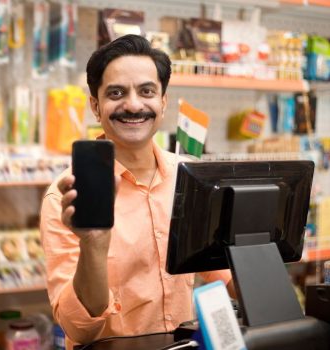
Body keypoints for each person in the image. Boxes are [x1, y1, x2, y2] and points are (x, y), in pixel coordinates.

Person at [40, 34, 234, 349]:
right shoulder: (66, 198)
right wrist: (93, 247)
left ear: (163, 101)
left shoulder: (190, 180)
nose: (133, 104)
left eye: (147, 91)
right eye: (116, 93)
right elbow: (79, 330)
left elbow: (226, 279)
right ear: (95, 105)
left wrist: (254, 244)